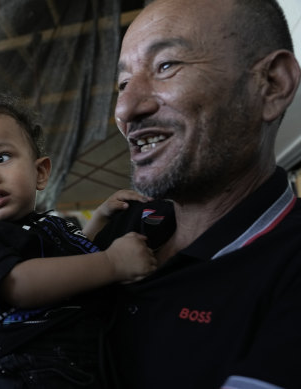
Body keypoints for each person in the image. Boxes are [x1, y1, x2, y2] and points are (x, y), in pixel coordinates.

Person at [95, 0, 301, 388]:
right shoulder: (122, 224)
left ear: (272, 84)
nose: (125, 109)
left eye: (166, 65)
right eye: (123, 83)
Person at [0, 91, 160, 388]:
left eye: (2, 157)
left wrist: (100, 218)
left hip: (87, 365)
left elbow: (66, 262)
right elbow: (18, 284)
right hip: (26, 373)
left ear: (40, 172)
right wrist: (112, 262)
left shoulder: (47, 226)